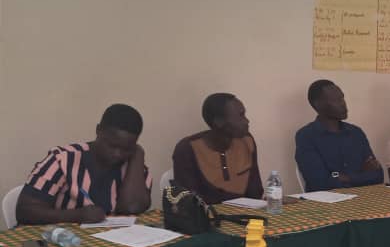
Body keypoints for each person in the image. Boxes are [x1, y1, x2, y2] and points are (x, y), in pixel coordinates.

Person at [17, 104, 152, 225]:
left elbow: (132, 208)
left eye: (126, 148)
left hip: (106, 245)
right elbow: (25, 211)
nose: (117, 154)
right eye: (112, 146)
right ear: (98, 130)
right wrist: (76, 215)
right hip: (57, 241)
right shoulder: (63, 159)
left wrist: (138, 156)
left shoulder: (136, 169)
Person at [172, 93, 262, 204]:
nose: (247, 121)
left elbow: (256, 193)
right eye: (240, 115)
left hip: (248, 217)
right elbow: (188, 202)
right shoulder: (187, 149)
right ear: (219, 122)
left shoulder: (246, 141)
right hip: (206, 219)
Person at [295, 80, 383, 191]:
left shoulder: (356, 133)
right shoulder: (306, 136)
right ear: (318, 104)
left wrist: (344, 178)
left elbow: (377, 175)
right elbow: (319, 182)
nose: (343, 103)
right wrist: (360, 175)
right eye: (336, 100)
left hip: (363, 198)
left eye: (342, 98)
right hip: (326, 203)